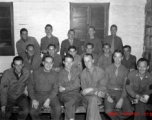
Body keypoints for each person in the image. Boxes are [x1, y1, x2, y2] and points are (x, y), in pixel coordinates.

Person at [28, 55, 62, 120]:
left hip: (51, 95)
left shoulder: (55, 74)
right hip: (37, 95)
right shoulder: (36, 72)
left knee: (58, 109)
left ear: (53, 64)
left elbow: (55, 89)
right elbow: (30, 86)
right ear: (43, 63)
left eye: (50, 63)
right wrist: (33, 99)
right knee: (33, 112)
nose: (48, 65)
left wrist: (48, 99)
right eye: (46, 62)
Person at [104, 50, 133, 120]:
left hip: (121, 92)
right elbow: (104, 84)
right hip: (109, 92)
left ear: (122, 58)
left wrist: (122, 99)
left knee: (129, 112)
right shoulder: (107, 69)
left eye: (119, 57)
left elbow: (125, 86)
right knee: (108, 111)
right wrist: (107, 96)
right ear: (113, 57)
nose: (117, 59)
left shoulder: (125, 70)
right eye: (115, 57)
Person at [0, 56, 30, 120]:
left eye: (20, 65)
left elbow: (29, 82)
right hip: (9, 97)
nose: (18, 67)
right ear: (13, 65)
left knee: (26, 111)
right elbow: (3, 90)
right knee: (4, 112)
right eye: (16, 65)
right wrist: (3, 104)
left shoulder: (27, 72)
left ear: (23, 65)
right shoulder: (7, 73)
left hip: (21, 96)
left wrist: (26, 88)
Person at [80, 53, 107, 120]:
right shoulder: (82, 74)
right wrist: (96, 92)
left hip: (98, 97)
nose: (87, 63)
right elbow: (85, 91)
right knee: (93, 100)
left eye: (88, 61)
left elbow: (103, 88)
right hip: (86, 98)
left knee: (93, 99)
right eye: (85, 61)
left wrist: (91, 89)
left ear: (93, 60)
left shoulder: (101, 71)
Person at [58, 54, 81, 120]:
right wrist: (72, 86)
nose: (69, 64)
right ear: (63, 62)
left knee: (70, 103)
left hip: (76, 94)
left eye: (70, 62)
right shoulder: (60, 73)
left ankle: (71, 118)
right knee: (70, 102)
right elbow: (60, 88)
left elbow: (76, 85)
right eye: (67, 62)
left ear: (73, 62)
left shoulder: (77, 71)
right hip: (64, 95)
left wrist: (65, 88)